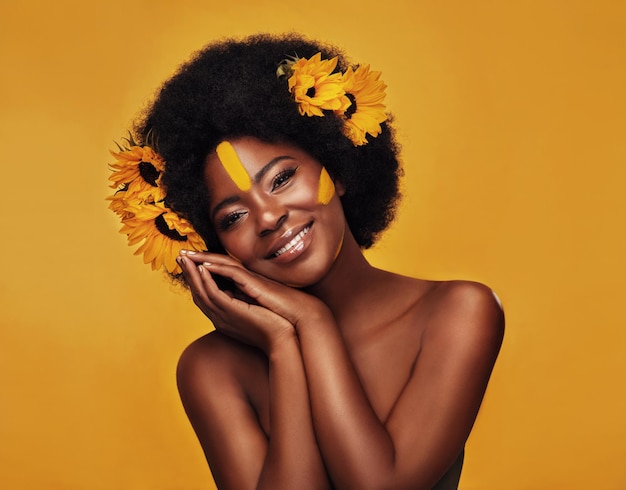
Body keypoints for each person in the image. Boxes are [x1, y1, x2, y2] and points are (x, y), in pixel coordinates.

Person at [108, 33, 504, 490]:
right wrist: (284, 343)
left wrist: (312, 322)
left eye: (282, 178)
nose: (269, 217)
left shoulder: (458, 313)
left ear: (336, 171)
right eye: (233, 215)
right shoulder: (212, 368)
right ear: (212, 243)